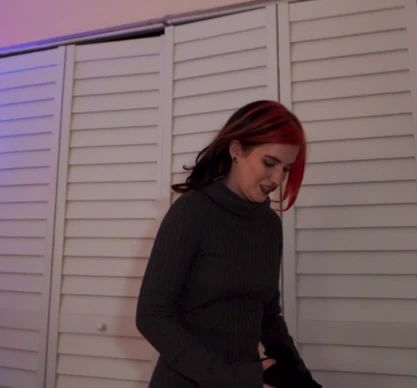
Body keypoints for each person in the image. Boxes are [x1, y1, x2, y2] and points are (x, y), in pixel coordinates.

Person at [136, 100, 322, 388]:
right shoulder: (193, 211)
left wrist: (302, 380)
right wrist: (231, 378)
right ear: (237, 150)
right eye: (269, 163)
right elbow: (151, 315)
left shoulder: (269, 225)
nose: (277, 178)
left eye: (286, 168)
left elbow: (268, 314)